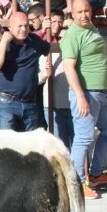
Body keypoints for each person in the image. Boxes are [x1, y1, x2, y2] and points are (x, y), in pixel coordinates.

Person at [61, 0, 107, 200]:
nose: (84, 15)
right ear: (73, 14)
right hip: (86, 93)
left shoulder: (92, 29)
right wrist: (80, 97)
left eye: (87, 11)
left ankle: (94, 173)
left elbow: (101, 50)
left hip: (101, 92)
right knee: (84, 138)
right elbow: (68, 67)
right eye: (79, 12)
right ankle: (77, 184)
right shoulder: (72, 36)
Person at [0, 11, 51, 132]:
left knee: (29, 147)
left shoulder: (34, 41)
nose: (24, 29)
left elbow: (52, 47)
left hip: (30, 103)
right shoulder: (1, 44)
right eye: (20, 26)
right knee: (8, 147)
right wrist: (4, 41)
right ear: (10, 28)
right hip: (6, 103)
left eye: (26, 25)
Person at [39, 10, 72, 147]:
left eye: (60, 22)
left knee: (77, 144)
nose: (57, 25)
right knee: (60, 147)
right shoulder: (40, 43)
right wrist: (44, 74)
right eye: (53, 21)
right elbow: (36, 77)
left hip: (71, 102)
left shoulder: (68, 39)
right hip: (51, 103)